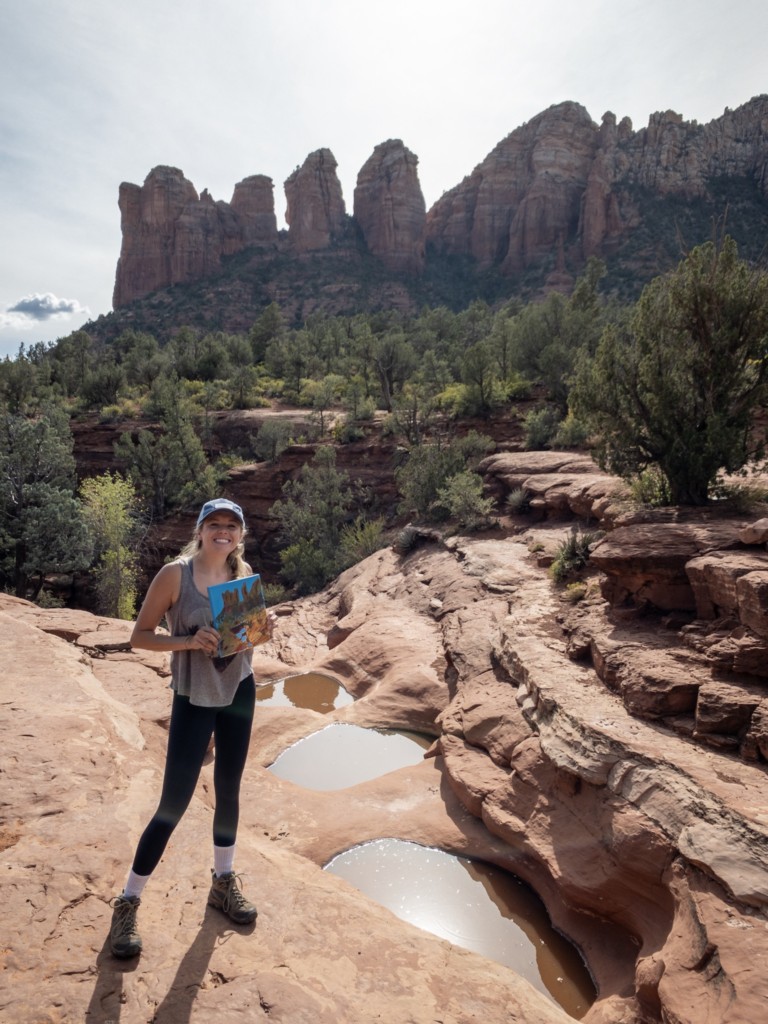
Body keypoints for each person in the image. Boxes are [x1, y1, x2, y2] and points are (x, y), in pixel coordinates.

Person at [109, 498, 265, 959]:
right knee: (172, 805)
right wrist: (188, 642)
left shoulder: (243, 570)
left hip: (239, 689)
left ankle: (223, 882)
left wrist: (262, 629)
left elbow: (246, 638)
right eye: (214, 524)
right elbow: (139, 636)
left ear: (240, 533)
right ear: (200, 530)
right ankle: (128, 900)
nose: (223, 532)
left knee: (229, 789)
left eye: (231, 525)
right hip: (193, 696)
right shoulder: (175, 575)